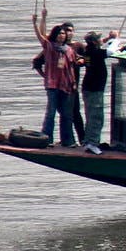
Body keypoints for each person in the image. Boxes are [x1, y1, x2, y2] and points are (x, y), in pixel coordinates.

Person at [32, 9, 78, 147]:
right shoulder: (49, 47)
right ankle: (47, 138)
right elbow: (40, 36)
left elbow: (70, 68)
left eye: (63, 34)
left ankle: (67, 141)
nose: (61, 36)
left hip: (66, 84)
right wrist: (38, 21)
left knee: (66, 114)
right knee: (51, 113)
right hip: (52, 84)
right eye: (59, 33)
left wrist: (73, 83)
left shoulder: (69, 50)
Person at [80, 31, 110, 155]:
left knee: (90, 116)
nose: (100, 40)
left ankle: (88, 141)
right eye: (98, 39)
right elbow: (110, 52)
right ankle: (92, 143)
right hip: (94, 89)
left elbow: (103, 46)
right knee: (96, 117)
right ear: (93, 42)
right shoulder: (95, 52)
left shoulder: (89, 51)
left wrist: (110, 38)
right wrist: (116, 40)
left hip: (89, 88)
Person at [60, 21, 86, 143]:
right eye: (66, 31)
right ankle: (68, 140)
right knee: (64, 115)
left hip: (73, 86)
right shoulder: (56, 46)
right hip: (58, 86)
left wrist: (82, 62)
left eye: (70, 30)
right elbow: (38, 62)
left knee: (76, 113)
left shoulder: (78, 46)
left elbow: (89, 55)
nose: (68, 33)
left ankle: (82, 139)